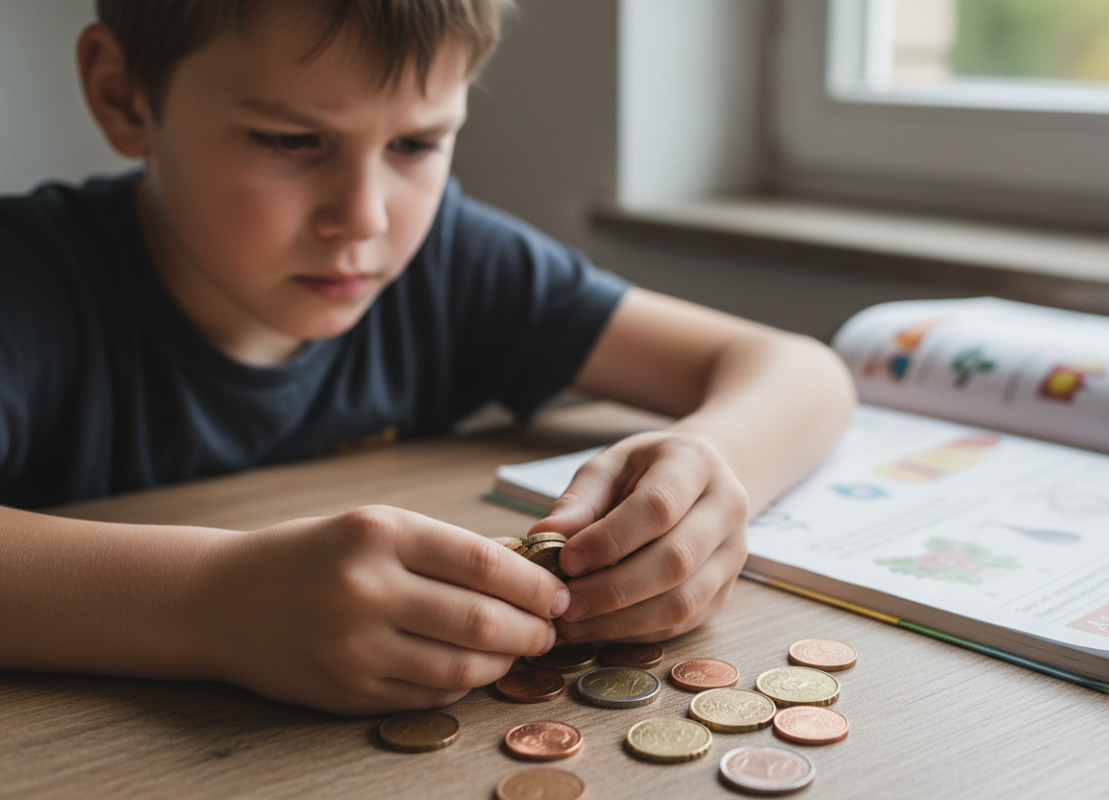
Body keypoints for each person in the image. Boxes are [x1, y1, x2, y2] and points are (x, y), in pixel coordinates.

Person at [0, 0, 855, 715]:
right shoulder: (29, 283)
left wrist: (711, 466)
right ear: (122, 96)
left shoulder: (450, 258)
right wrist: (209, 603)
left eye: (415, 146)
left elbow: (799, 370)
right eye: (289, 140)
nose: (364, 217)